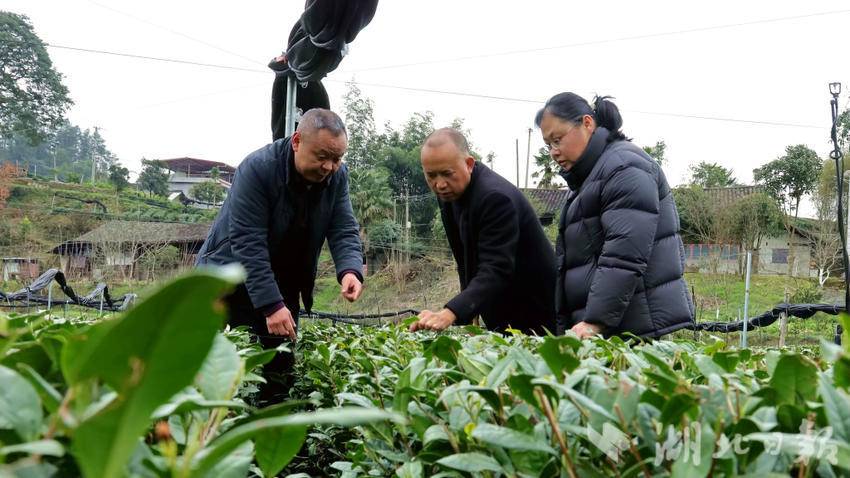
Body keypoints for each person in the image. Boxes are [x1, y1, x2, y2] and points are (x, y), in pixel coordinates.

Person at [196, 108, 364, 400]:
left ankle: (269, 439)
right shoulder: (258, 168)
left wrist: (350, 268)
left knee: (278, 370)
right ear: (297, 141)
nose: (329, 166)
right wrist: (271, 305)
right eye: (322, 156)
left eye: (337, 159)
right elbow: (247, 241)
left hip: (283, 280)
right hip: (229, 277)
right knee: (217, 367)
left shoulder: (337, 178)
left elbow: (343, 225)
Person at [536, 93, 694, 339]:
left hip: (634, 331)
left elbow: (623, 254)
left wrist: (595, 321)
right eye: (549, 145)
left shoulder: (624, 167)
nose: (554, 152)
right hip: (611, 327)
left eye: (558, 139)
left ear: (587, 123)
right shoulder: (589, 176)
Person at [409, 128, 556, 335]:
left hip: (535, 311)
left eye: (447, 174)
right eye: (431, 175)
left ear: (469, 164)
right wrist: (468, 312)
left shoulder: (495, 198)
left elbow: (496, 268)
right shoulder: (451, 194)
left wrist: (451, 312)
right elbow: (464, 260)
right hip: (500, 306)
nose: (439, 184)